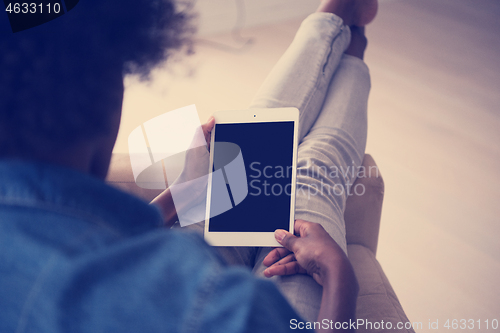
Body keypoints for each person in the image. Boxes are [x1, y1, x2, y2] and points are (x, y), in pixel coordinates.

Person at [0, 0, 377, 332]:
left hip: (174, 264)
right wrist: (339, 275)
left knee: (261, 139)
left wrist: (183, 194)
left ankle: (344, 30)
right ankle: (345, 30)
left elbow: (90, 245)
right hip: (198, 293)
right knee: (313, 176)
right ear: (109, 99)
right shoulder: (215, 309)